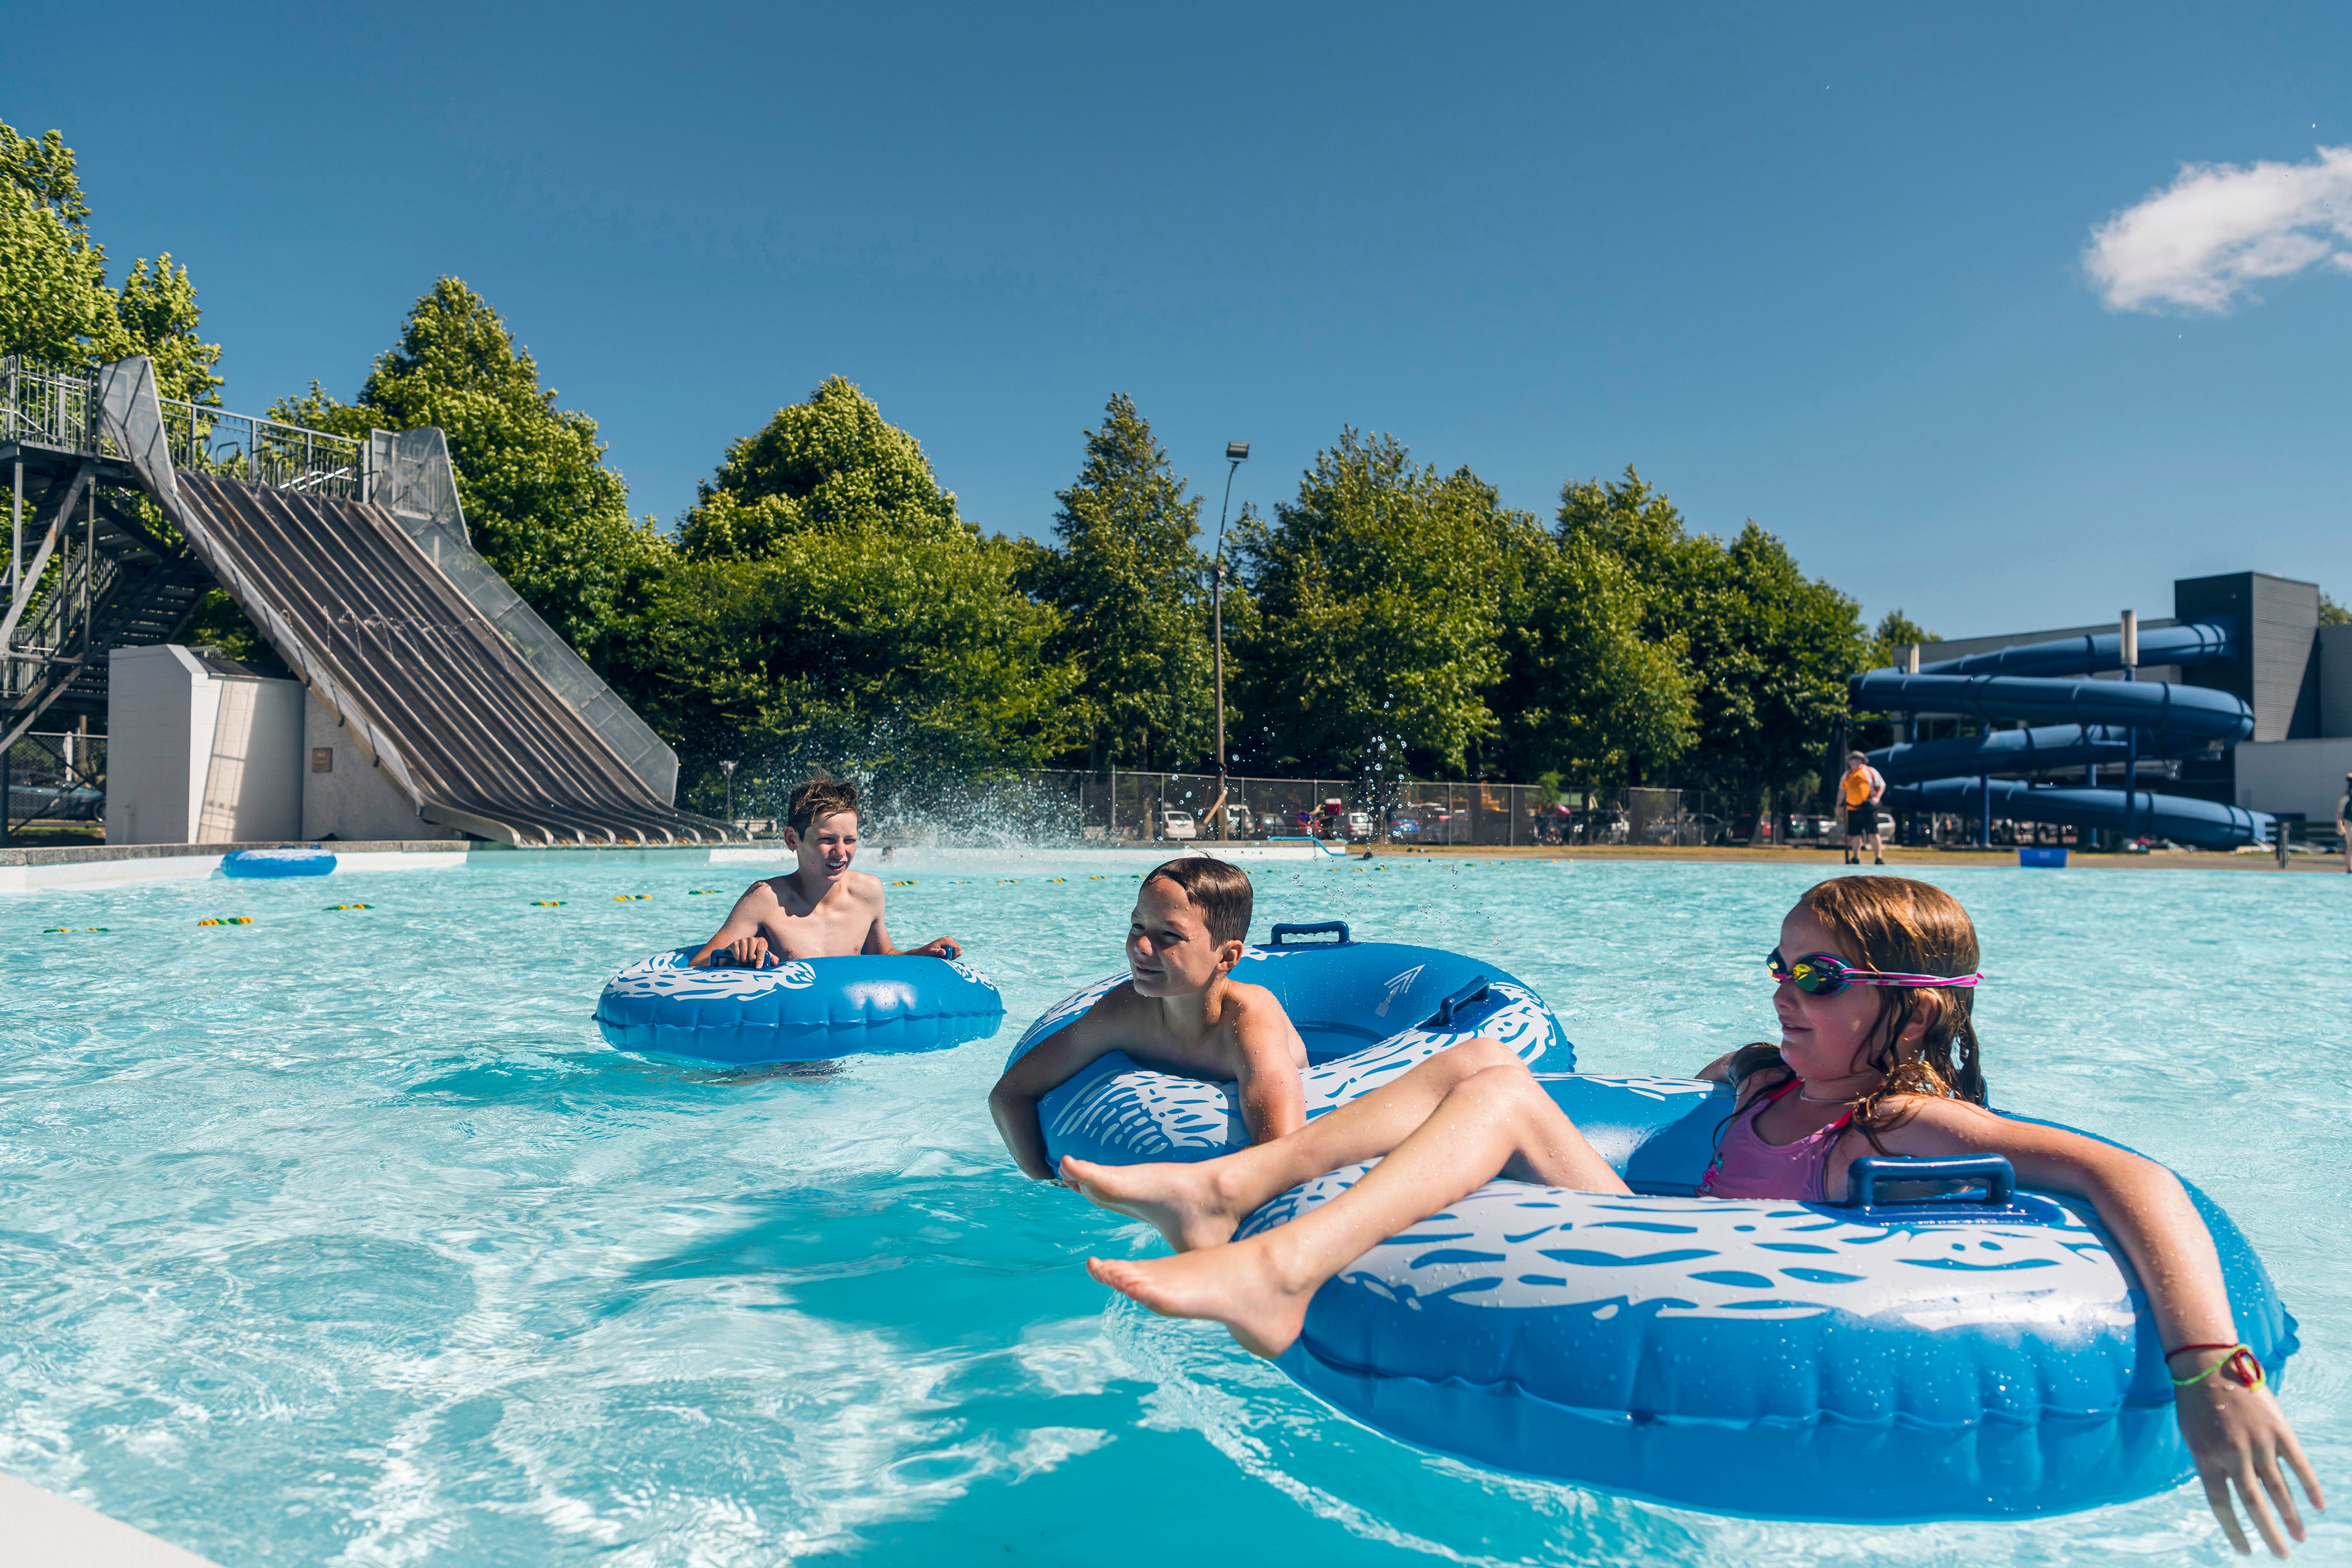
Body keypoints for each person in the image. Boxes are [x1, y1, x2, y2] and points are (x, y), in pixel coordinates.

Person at [1064, 876, 2324, 1557]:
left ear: (1917, 1009)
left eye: (1816, 978)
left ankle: (1272, 1260)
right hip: (1638, 1230)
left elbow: (2127, 1178)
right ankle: (1230, 1189)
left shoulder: (1891, 1123)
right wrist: (1744, 1063)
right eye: (1775, 966)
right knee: (1489, 1078)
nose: (1782, 994)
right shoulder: (1771, 1078)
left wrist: (2210, 1368)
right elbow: (1644, 1120)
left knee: (1498, 1095)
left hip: (1765, 1313)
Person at [990, 857, 1307, 1181]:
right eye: (1138, 926)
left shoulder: (1249, 1018)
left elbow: (1281, 1149)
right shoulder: (1125, 1011)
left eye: (1169, 934)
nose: (1141, 946)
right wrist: (1045, 1181)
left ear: (1227, 957)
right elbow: (1009, 1094)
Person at [688, 778, 961, 967]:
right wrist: (737, 954)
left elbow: (883, 956)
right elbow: (698, 964)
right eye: (826, 840)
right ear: (792, 840)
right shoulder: (765, 899)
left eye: (850, 841)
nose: (841, 852)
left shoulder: (868, 892)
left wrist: (920, 954)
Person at [1840, 750, 1886, 865]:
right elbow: (1842, 791)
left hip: (1868, 807)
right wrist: (1838, 805)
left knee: (1873, 832)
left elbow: (1882, 785)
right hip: (1852, 809)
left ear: (1861, 760)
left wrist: (1877, 798)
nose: (1852, 761)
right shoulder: (1847, 775)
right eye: (1851, 759)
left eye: (1855, 758)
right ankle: (1856, 857)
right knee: (1855, 834)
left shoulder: (1870, 772)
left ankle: (1878, 858)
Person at [2337, 773, 2350, 875]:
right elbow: (2340, 813)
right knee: (2351, 846)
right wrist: (2340, 826)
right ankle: (2350, 868)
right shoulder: (2346, 798)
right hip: (2350, 823)